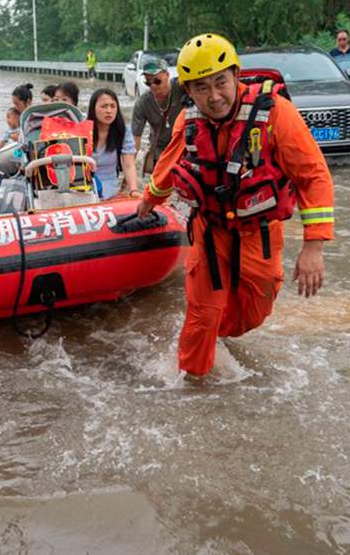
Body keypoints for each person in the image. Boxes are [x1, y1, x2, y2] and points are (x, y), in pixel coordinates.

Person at [136, 33, 334, 378]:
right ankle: (191, 384)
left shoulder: (276, 115)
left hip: (259, 233)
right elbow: (168, 165)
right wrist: (148, 201)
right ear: (188, 90)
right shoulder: (189, 121)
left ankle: (215, 336)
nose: (214, 97)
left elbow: (313, 177)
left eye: (220, 83)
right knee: (203, 313)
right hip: (210, 232)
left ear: (236, 74)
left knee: (252, 314)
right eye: (201, 88)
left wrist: (313, 245)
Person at [130, 56, 184, 175]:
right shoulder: (143, 102)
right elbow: (136, 138)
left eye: (157, 81)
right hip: (160, 153)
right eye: (148, 82)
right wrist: (130, 169)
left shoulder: (181, 88)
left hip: (183, 148)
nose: (153, 86)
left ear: (167, 75)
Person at [86, 88, 140, 200]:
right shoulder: (82, 131)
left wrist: (134, 190)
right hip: (84, 189)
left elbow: (129, 165)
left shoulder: (123, 132)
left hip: (109, 191)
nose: (109, 111)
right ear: (93, 109)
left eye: (112, 106)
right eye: (103, 106)